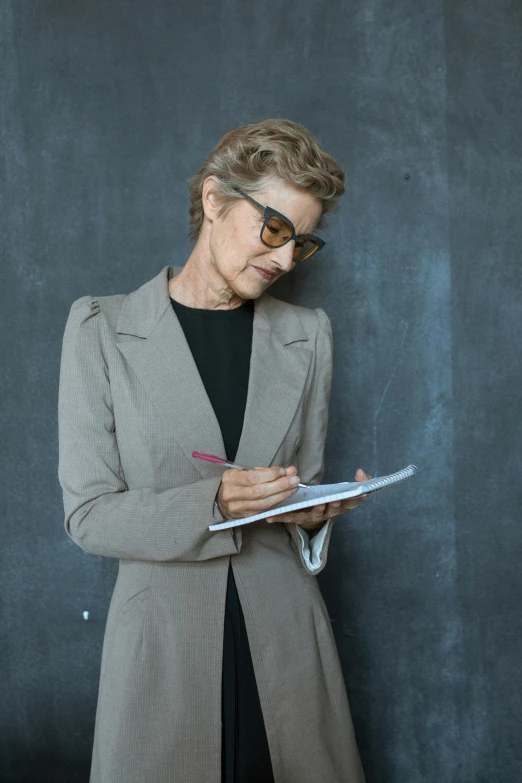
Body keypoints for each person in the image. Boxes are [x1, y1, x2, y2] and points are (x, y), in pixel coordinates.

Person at [58, 118, 368, 783]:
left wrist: (312, 513)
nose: (286, 260)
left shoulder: (309, 334)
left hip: (286, 648)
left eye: (302, 242)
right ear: (213, 199)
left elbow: (298, 486)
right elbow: (89, 514)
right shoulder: (102, 329)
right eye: (274, 229)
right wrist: (213, 501)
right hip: (162, 652)